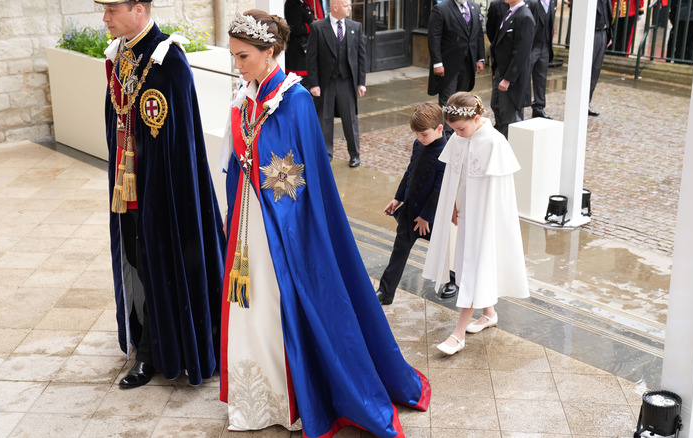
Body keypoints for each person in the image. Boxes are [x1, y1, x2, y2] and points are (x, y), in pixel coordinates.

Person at [220, 10, 431, 436]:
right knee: (251, 304)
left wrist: (279, 215)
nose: (237, 66)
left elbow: (304, 179)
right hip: (250, 218)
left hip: (284, 225)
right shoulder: (246, 95)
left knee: (280, 303)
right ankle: (258, 395)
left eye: (243, 57)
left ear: (269, 52)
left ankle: (296, 395)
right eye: (234, 57)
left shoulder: (294, 100)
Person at [98, 0, 226, 389]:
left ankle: (154, 354)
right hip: (129, 188)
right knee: (137, 265)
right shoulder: (121, 54)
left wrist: (159, 194)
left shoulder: (168, 61)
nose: (104, 19)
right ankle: (143, 339)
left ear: (138, 8)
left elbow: (179, 145)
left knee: (160, 268)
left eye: (111, 10)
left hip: (164, 192)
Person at [423, 92, 529, 355]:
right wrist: (453, 206)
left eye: (460, 128)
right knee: (467, 264)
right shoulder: (461, 138)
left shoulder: (495, 142)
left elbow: (500, 193)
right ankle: (489, 314)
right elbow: (454, 177)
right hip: (466, 214)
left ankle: (458, 333)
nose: (456, 134)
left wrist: (486, 219)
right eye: (453, 130)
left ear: (477, 118)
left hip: (484, 218)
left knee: (472, 267)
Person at [376, 103, 450, 305]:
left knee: (447, 250)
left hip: (431, 217)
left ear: (439, 129)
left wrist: (426, 217)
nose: (419, 138)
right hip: (410, 212)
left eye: (424, 134)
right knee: (399, 251)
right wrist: (397, 198)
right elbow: (409, 173)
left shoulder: (446, 152)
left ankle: (455, 280)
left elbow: (439, 189)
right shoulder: (419, 145)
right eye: (416, 134)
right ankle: (385, 291)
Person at [306, 0, 367, 167]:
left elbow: (361, 57)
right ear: (335, 7)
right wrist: (314, 84)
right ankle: (326, 154)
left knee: (350, 119)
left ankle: (355, 155)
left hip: (346, 82)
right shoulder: (318, 28)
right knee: (324, 119)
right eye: (346, 5)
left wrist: (361, 82)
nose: (349, 8)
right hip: (326, 83)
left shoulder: (356, 27)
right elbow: (311, 58)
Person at [426, 0, 486, 132]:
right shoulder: (441, 9)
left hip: (468, 63)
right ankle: (446, 133)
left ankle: (459, 129)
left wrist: (480, 58)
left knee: (462, 100)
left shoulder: (474, 7)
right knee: (448, 101)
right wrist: (437, 62)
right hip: (448, 65)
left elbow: (479, 34)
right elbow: (434, 37)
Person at [488, 0, 535, 138]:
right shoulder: (509, 13)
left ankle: (510, 149)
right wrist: (496, 70)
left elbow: (522, 52)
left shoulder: (525, 17)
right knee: (497, 107)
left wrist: (508, 78)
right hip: (500, 72)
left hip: (511, 78)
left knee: (509, 117)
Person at [526, 0, 556, 119]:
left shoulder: (553, 2)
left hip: (545, 46)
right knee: (524, 77)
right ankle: (519, 108)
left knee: (541, 78)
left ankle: (539, 107)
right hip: (531, 46)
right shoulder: (531, 2)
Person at [589, 0, 614, 116]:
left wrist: (610, 34)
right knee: (587, 69)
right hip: (592, 33)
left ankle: (586, 103)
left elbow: (608, 13)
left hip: (603, 32)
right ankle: (580, 103)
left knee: (595, 70)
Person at [284, 0, 317, 85]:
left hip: (306, 46)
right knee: (301, 83)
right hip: (297, 49)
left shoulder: (302, 3)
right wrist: (314, 26)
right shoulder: (292, 4)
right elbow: (297, 29)